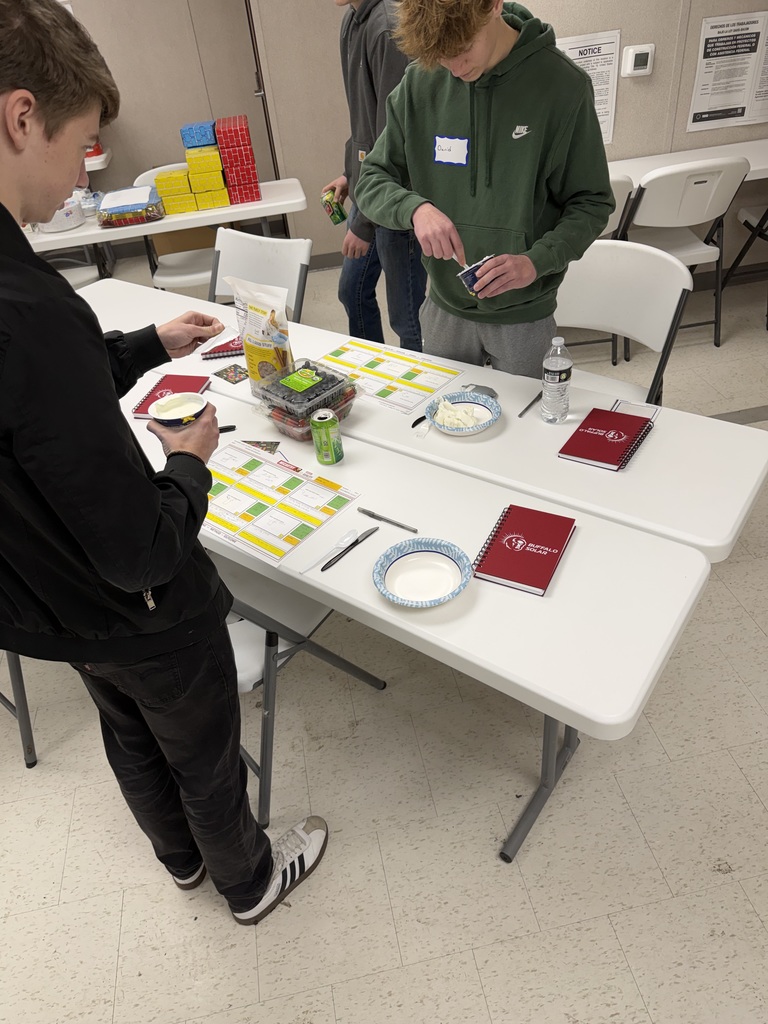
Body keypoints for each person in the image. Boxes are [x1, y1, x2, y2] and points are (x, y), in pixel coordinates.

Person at [0, 0, 327, 926]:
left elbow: (31, 415)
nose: (78, 179)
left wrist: (147, 342)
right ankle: (251, 881)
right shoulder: (26, 306)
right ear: (22, 117)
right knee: (201, 750)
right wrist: (188, 461)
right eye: (84, 143)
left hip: (49, 605)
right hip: (143, 614)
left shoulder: (25, 313)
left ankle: (181, 862)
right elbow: (143, 551)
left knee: (127, 733)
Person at [354, 0, 615, 378]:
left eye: (462, 50)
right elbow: (373, 178)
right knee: (447, 423)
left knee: (527, 428)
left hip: (524, 314)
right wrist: (415, 209)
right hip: (443, 305)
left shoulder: (563, 87)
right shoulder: (420, 82)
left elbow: (591, 203)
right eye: (443, 58)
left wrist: (535, 262)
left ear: (493, 6)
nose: (456, 69)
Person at [322, 0, 427, 352]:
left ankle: (425, 396)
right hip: (369, 188)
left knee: (407, 317)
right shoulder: (352, 20)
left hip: (396, 196)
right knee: (351, 292)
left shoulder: (386, 28)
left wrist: (363, 224)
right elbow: (365, 121)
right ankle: (374, 369)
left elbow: (394, 136)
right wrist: (349, 174)